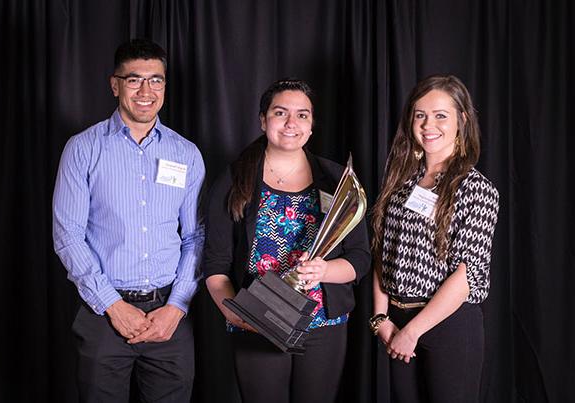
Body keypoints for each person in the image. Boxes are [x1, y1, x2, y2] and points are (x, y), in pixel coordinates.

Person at [52, 38, 205, 403]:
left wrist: (178, 305)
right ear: (115, 84)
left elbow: (196, 236)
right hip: (103, 315)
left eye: (156, 80)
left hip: (170, 318)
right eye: (134, 79)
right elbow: (68, 234)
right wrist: (112, 305)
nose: (146, 91)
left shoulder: (186, 153)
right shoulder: (83, 149)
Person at [202, 78, 371, 403]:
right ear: (263, 119)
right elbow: (216, 263)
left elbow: (360, 258)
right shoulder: (234, 179)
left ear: (312, 125)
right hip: (258, 322)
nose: (291, 123)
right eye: (281, 113)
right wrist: (236, 315)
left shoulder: (336, 179)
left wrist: (324, 271)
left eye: (302, 115)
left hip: (324, 322)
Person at [369, 75, 500, 403]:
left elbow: (466, 276)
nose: (429, 124)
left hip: (448, 326)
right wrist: (381, 320)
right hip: (396, 324)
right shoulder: (400, 183)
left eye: (441, 115)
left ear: (462, 120)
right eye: (420, 114)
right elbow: (382, 254)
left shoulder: (476, 189)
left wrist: (412, 332)